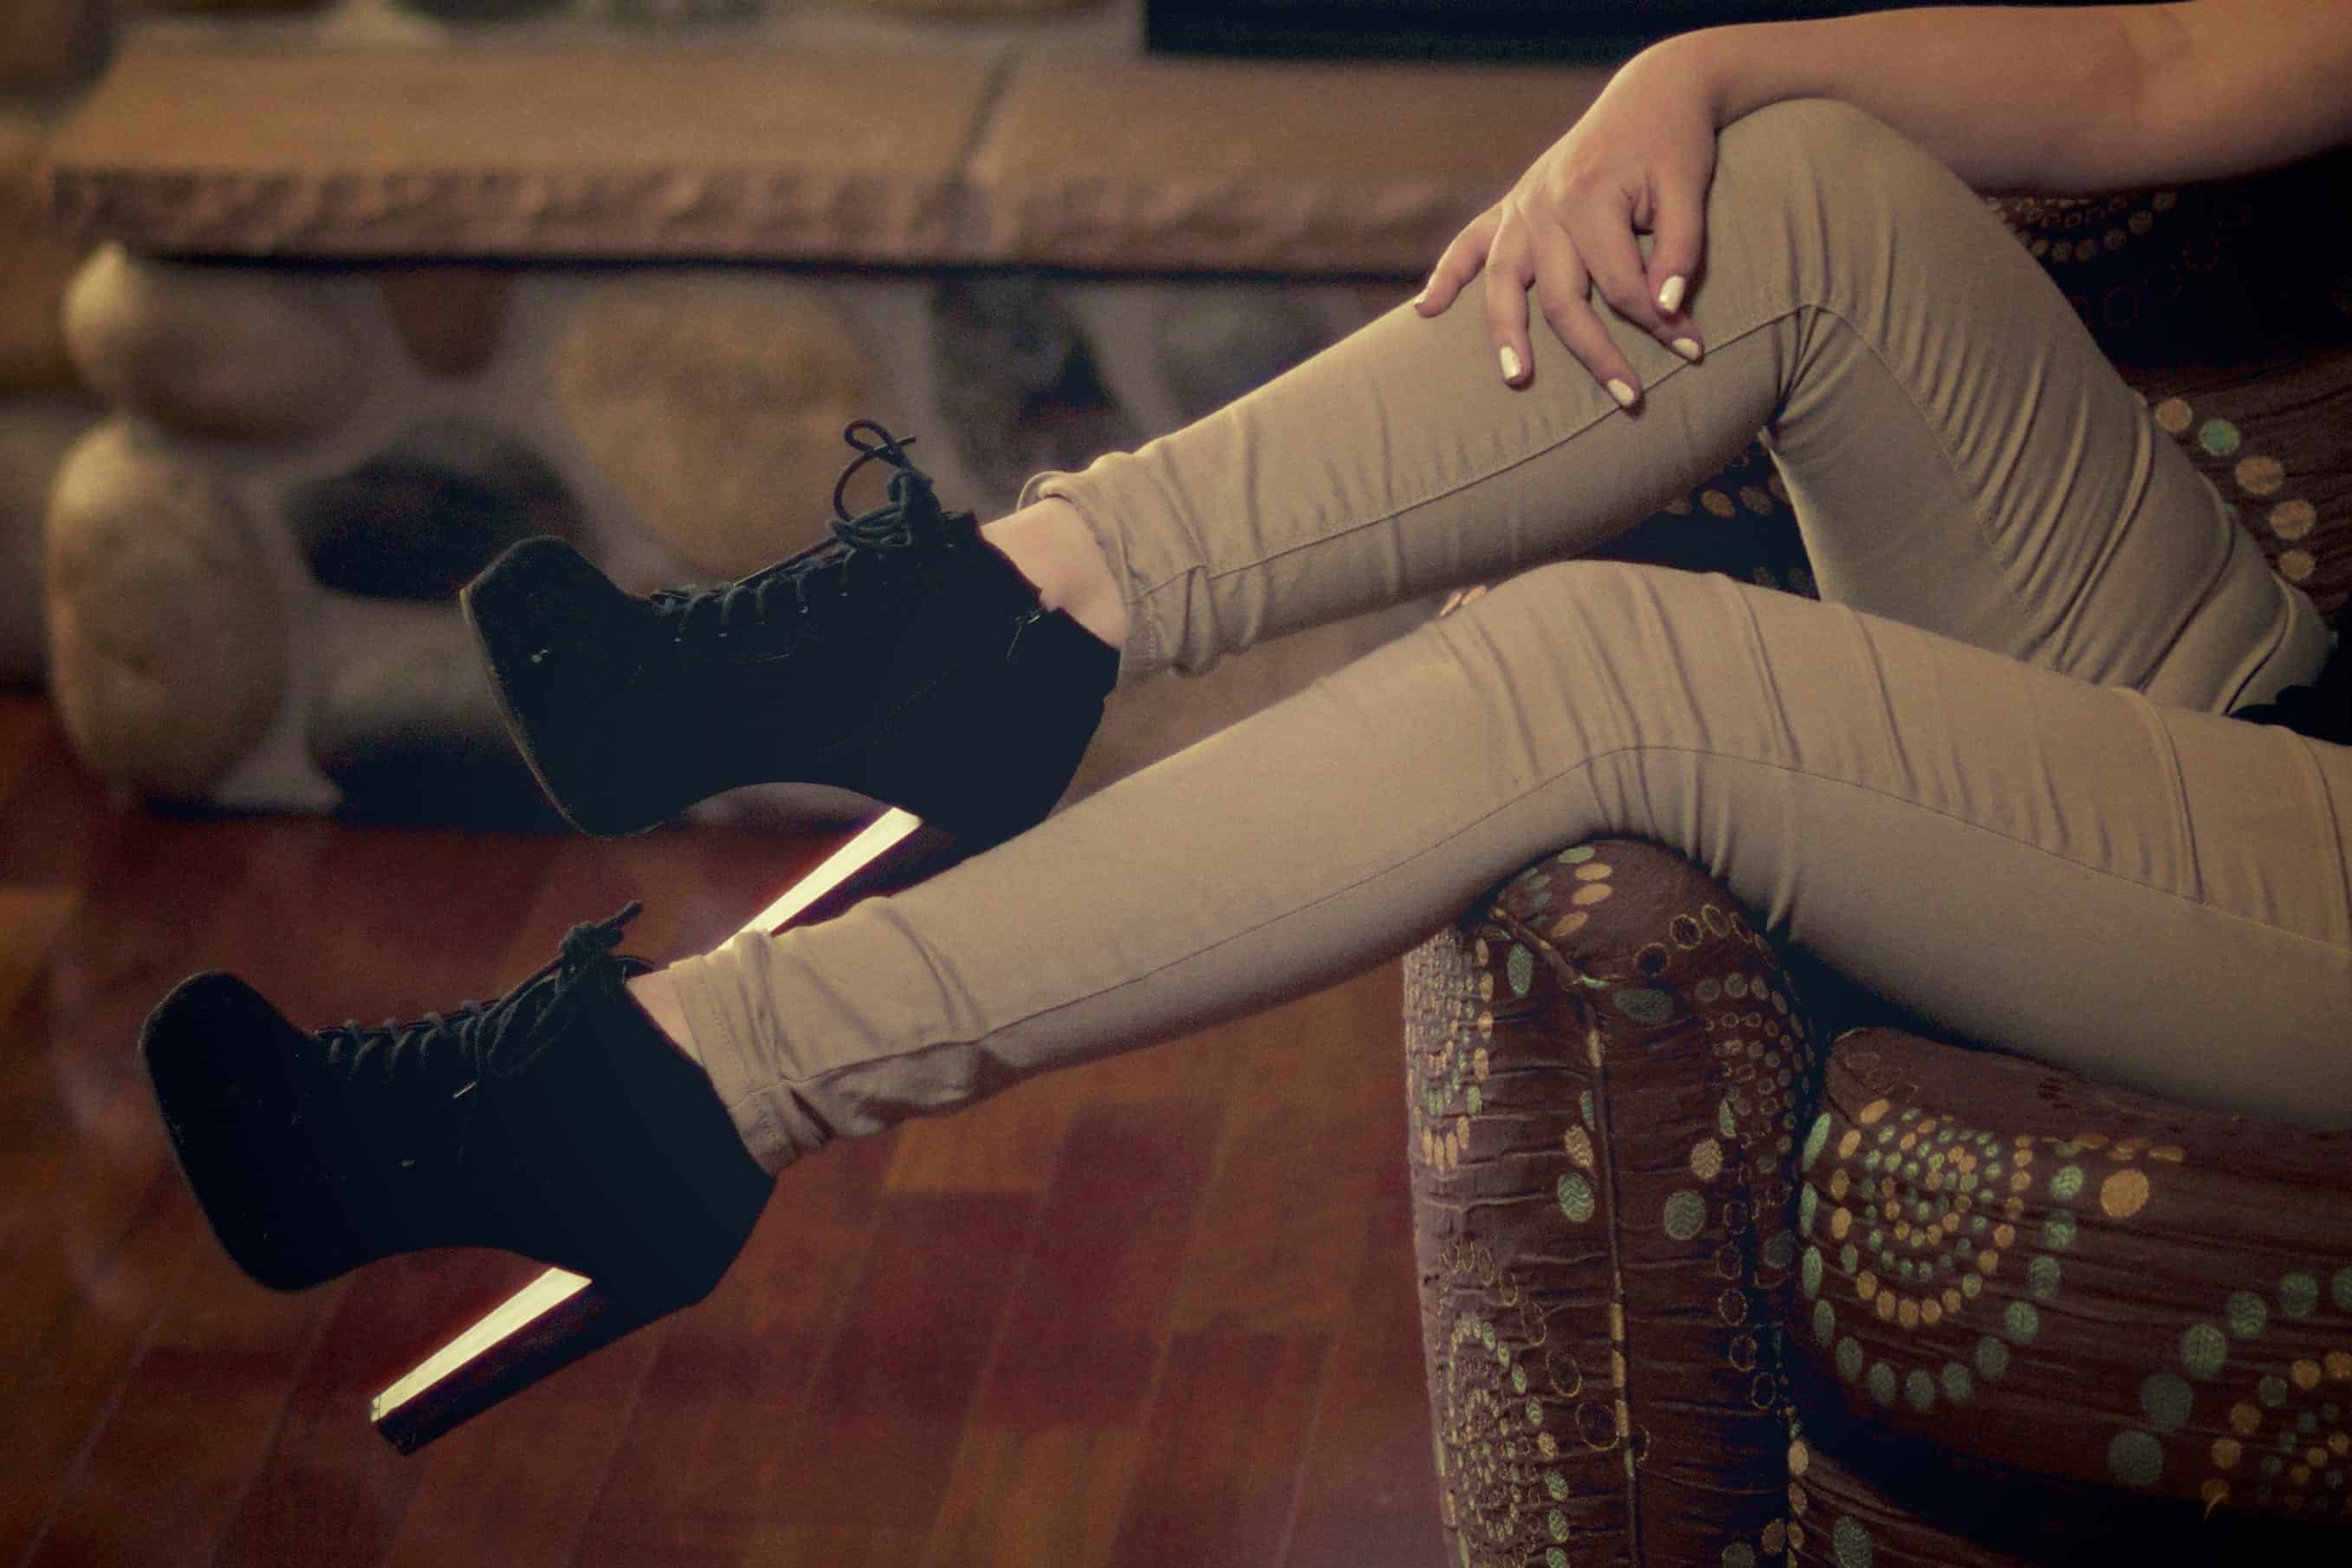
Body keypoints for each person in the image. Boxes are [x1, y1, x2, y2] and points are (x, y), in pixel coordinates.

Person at [140, 1, 2352, 1343]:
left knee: (1599, 664)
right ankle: (990, 618)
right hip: (2265, 697)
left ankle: (667, 1090)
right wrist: (1678, 71)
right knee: (1792, 191)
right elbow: (2153, 60)